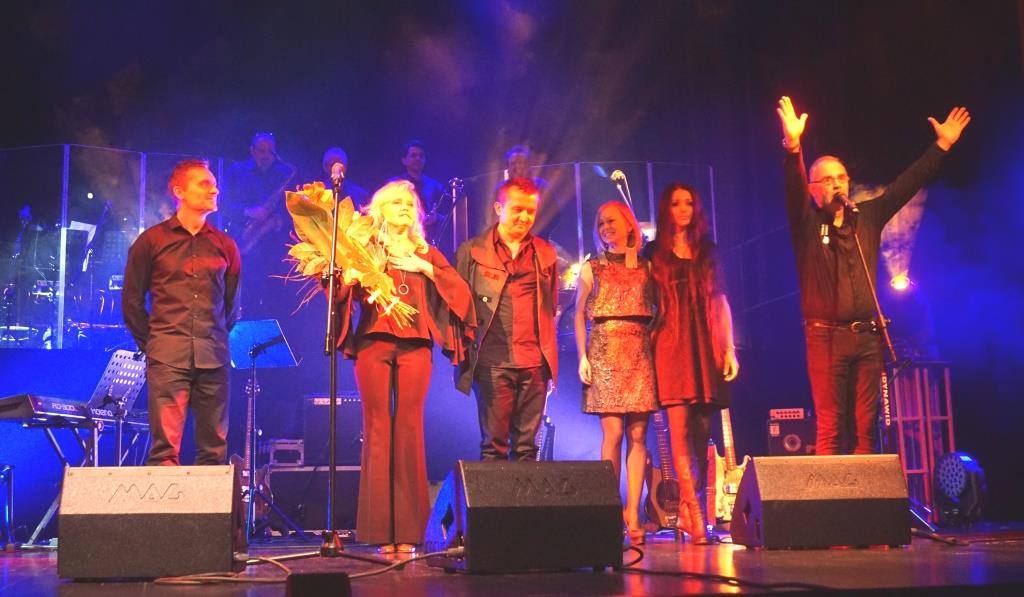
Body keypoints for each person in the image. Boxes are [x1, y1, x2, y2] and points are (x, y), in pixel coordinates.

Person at [776, 96, 970, 455]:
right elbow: (792, 189)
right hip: (825, 337)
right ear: (813, 189)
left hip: (867, 336)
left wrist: (941, 146)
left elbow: (905, 186)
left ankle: (866, 492)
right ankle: (832, 494)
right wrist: (793, 146)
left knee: (868, 427)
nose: (837, 185)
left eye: (841, 178)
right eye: (827, 180)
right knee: (831, 428)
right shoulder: (807, 223)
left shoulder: (866, 216)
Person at [328, 180, 473, 553]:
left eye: (410, 203)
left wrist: (425, 268)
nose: (405, 207)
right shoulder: (364, 249)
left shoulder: (426, 251)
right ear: (380, 210)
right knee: (377, 428)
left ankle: (410, 532)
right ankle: (379, 532)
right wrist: (349, 279)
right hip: (373, 342)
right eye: (396, 202)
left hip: (416, 346)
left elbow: (460, 293)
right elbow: (339, 293)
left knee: (409, 428)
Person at [122, 159, 241, 466]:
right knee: (164, 451)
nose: (214, 190)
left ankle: (209, 501)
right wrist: (154, 343)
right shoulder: (151, 241)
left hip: (213, 357)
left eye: (215, 184)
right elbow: (131, 301)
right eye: (205, 183)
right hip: (167, 355)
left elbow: (232, 307)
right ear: (179, 191)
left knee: (214, 452)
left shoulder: (225, 245)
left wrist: (214, 336)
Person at [645, 182, 739, 543]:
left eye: (688, 203)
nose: (682, 209)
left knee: (701, 432)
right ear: (665, 209)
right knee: (679, 429)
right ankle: (697, 516)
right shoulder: (654, 253)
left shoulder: (708, 251)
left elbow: (720, 300)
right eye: (675, 203)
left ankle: (688, 510)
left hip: (704, 343)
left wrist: (729, 348)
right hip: (670, 345)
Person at [455, 178, 559, 461]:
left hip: (534, 363)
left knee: (527, 449)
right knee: (493, 447)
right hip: (491, 361)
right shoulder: (472, 251)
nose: (524, 217)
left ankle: (526, 494)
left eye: (530, 211)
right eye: (517, 209)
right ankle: (492, 494)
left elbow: (550, 307)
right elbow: (457, 304)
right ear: (498, 208)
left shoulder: (545, 253)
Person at [574, 201, 657, 545]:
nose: (605, 227)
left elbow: (660, 310)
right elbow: (578, 313)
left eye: (611, 221)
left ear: (628, 224)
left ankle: (633, 512)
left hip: (639, 351)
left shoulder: (647, 267)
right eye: (600, 223)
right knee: (613, 433)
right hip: (604, 351)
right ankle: (610, 510)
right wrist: (582, 356)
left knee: (638, 435)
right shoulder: (592, 267)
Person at [220, 132, 296, 318]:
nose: (266, 155)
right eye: (261, 151)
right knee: (247, 298)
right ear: (252, 151)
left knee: (275, 301)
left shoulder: (283, 174)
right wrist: (248, 211)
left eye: (270, 151)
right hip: (244, 244)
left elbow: (294, 209)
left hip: (274, 248)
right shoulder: (236, 172)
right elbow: (222, 204)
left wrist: (279, 221)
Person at [486, 145, 559, 239]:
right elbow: (491, 219)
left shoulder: (541, 186)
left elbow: (554, 216)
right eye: (513, 163)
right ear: (507, 167)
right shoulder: (500, 189)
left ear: (529, 166)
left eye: (521, 163)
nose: (517, 167)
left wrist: (538, 235)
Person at [393, 140, 445, 241]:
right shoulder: (395, 185)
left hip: (428, 239)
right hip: (401, 238)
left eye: (421, 156)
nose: (418, 158)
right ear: (404, 160)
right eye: (413, 155)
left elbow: (447, 216)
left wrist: (436, 218)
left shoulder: (435, 186)